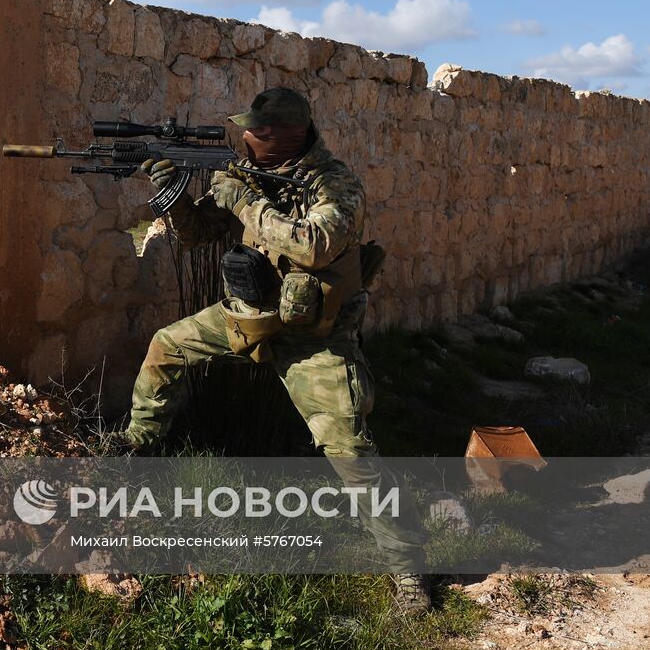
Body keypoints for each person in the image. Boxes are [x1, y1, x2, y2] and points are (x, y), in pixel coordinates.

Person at [110, 86, 432, 613]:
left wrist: (244, 198)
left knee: (350, 452)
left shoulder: (336, 184)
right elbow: (199, 234)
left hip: (315, 340)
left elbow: (312, 244)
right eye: (245, 129)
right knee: (166, 348)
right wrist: (175, 193)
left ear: (288, 134)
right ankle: (137, 446)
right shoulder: (248, 174)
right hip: (251, 317)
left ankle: (409, 575)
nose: (246, 137)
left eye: (257, 130)